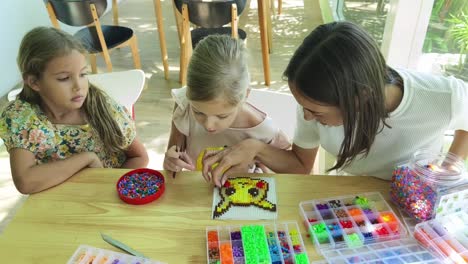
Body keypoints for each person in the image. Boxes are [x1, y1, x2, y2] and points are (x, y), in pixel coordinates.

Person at [201, 21, 468, 187]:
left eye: (316, 113)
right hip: (352, 197)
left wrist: (449, 167)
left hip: (412, 204)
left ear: (360, 97)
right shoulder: (312, 99)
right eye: (304, 107)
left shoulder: (442, 97)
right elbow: (300, 166)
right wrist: (255, 148)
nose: (306, 118)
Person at [0, 27, 149, 194]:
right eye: (64, 78)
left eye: (83, 74)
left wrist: (108, 188)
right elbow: (25, 182)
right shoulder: (22, 118)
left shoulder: (101, 106)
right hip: (62, 201)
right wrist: (87, 158)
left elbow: (139, 156)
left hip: (112, 193)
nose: (79, 86)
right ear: (34, 82)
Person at [163, 35, 290, 178]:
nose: (209, 125)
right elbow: (172, 158)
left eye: (222, 116)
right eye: (198, 112)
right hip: (199, 190)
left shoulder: (262, 130)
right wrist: (171, 161)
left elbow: (282, 175)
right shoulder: (184, 104)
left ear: (245, 96)